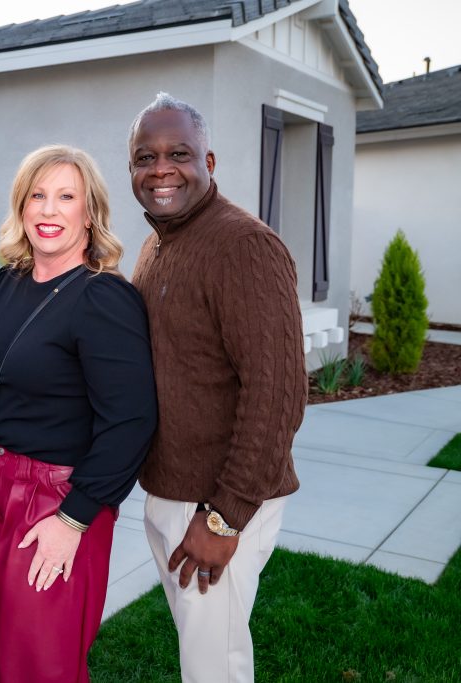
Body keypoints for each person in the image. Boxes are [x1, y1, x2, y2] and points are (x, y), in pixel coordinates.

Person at [128, 93, 307, 682]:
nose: (161, 169)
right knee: (201, 658)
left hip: (218, 502)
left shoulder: (243, 246)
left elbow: (277, 394)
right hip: (172, 494)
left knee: (214, 670)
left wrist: (224, 517)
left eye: (178, 154)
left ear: (209, 161)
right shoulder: (159, 245)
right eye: (145, 157)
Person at [0, 144, 157, 682]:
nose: (49, 210)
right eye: (37, 196)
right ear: (21, 206)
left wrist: (73, 519)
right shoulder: (8, 284)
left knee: (40, 665)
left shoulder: (103, 298)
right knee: (1, 659)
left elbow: (131, 422)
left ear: (90, 213)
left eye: (66, 197)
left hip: (58, 501)